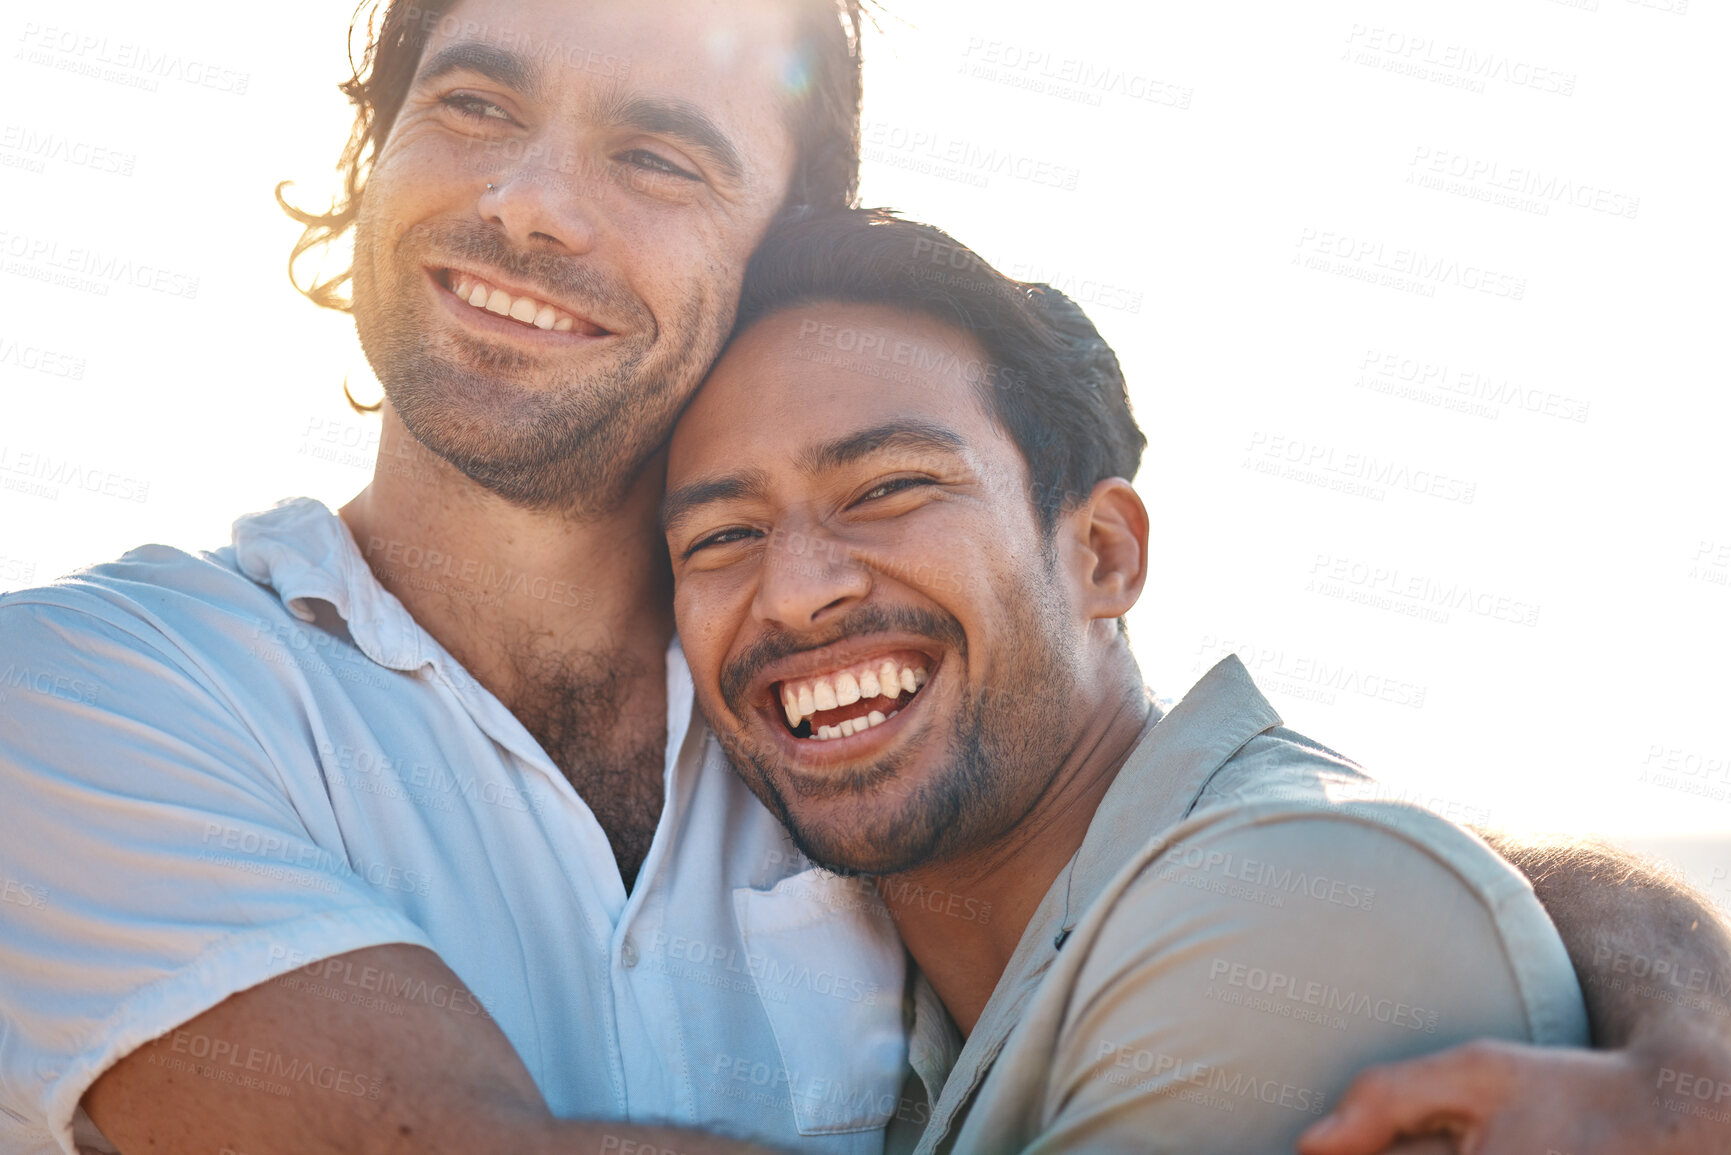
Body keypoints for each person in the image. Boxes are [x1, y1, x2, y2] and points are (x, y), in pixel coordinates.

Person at [0, 3, 1721, 1154]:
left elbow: (1278, 865)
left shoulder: (835, 709)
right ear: (377, 163)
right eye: (472, 103)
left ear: (769, 261)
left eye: (657, 153)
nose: (527, 204)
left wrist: (1680, 1017)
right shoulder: (84, 699)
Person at [661, 208, 1731, 1153]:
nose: (795, 592)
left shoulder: (1306, 912)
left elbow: (1365, 872)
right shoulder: (891, 1006)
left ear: (1104, 557)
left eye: (889, 486)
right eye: (721, 534)